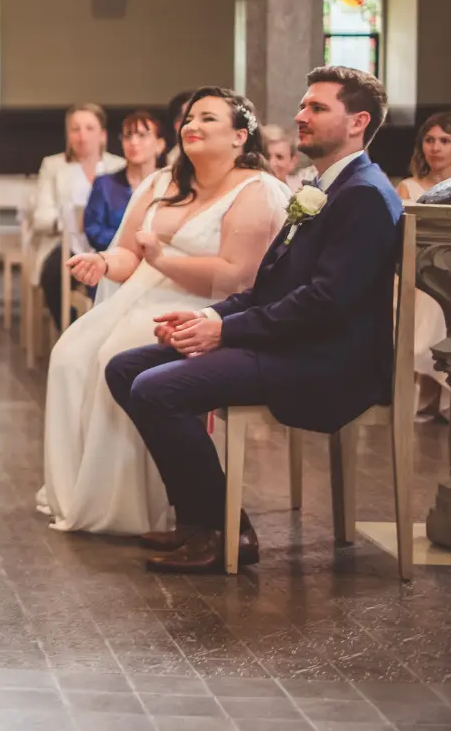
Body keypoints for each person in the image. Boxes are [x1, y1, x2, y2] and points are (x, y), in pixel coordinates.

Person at [104, 67, 401, 574]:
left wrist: (226, 331)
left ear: (359, 122)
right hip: (293, 342)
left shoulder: (365, 194)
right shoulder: (322, 187)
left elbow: (326, 302)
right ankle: (200, 519)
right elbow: (271, 288)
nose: (300, 115)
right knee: (124, 368)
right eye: (303, 105)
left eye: (317, 108)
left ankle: (225, 530)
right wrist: (205, 316)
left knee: (156, 389)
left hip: (328, 361)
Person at [39, 89, 287, 537]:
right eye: (189, 118)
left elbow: (236, 276)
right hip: (140, 293)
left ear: (239, 136)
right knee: (69, 356)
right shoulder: (161, 182)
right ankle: (79, 492)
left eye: (207, 118)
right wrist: (103, 263)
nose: (192, 125)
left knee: (112, 356)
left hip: (204, 307)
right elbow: (129, 253)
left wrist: (162, 260)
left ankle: (127, 505)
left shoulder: (256, 189)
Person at [397, 111, 451, 419]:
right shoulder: (408, 187)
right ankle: (421, 395)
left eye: (444, 140)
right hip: (417, 273)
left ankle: (447, 398)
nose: (436, 147)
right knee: (419, 332)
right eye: (429, 140)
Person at [33, 103, 126, 327]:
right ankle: (70, 330)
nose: (82, 136)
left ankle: (113, 330)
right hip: (66, 242)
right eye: (75, 129)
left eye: (89, 128)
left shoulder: (119, 165)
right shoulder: (53, 165)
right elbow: (41, 216)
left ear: (102, 135)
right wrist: (71, 221)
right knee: (55, 274)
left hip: (110, 241)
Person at [83, 110, 165, 254]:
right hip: (114, 258)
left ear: (159, 145)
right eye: (128, 136)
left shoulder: (169, 183)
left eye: (142, 135)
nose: (133, 142)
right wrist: (133, 242)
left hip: (161, 257)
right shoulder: (104, 184)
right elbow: (94, 231)